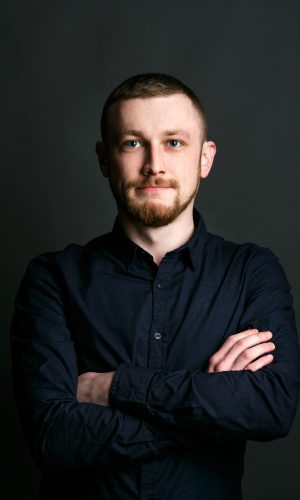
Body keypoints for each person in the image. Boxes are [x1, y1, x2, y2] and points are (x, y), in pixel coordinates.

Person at [10, 72, 300, 500]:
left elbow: (272, 408)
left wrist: (113, 388)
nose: (154, 165)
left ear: (206, 158)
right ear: (104, 158)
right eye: (132, 143)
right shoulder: (53, 278)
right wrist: (209, 406)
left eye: (174, 142)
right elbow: (53, 437)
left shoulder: (252, 271)